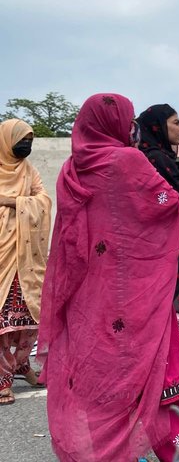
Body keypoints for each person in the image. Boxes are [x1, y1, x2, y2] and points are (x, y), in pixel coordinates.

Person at [38, 93, 179, 461]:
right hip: (136, 291)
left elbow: (70, 235)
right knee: (156, 372)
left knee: (102, 378)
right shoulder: (127, 160)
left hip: (90, 296)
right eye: (126, 121)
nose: (130, 129)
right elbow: (167, 203)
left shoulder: (70, 168)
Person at [137, 104, 179, 338]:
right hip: (165, 256)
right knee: (164, 330)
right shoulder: (157, 159)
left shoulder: (147, 157)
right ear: (157, 126)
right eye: (175, 123)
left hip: (153, 254)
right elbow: (172, 207)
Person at [0, 120, 51, 406]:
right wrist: (21, 200)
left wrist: (10, 201)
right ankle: (2, 380)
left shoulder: (29, 171)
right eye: (22, 139)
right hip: (2, 258)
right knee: (4, 323)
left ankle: (21, 365)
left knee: (29, 320)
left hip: (26, 260)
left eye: (30, 140)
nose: (27, 146)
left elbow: (43, 200)